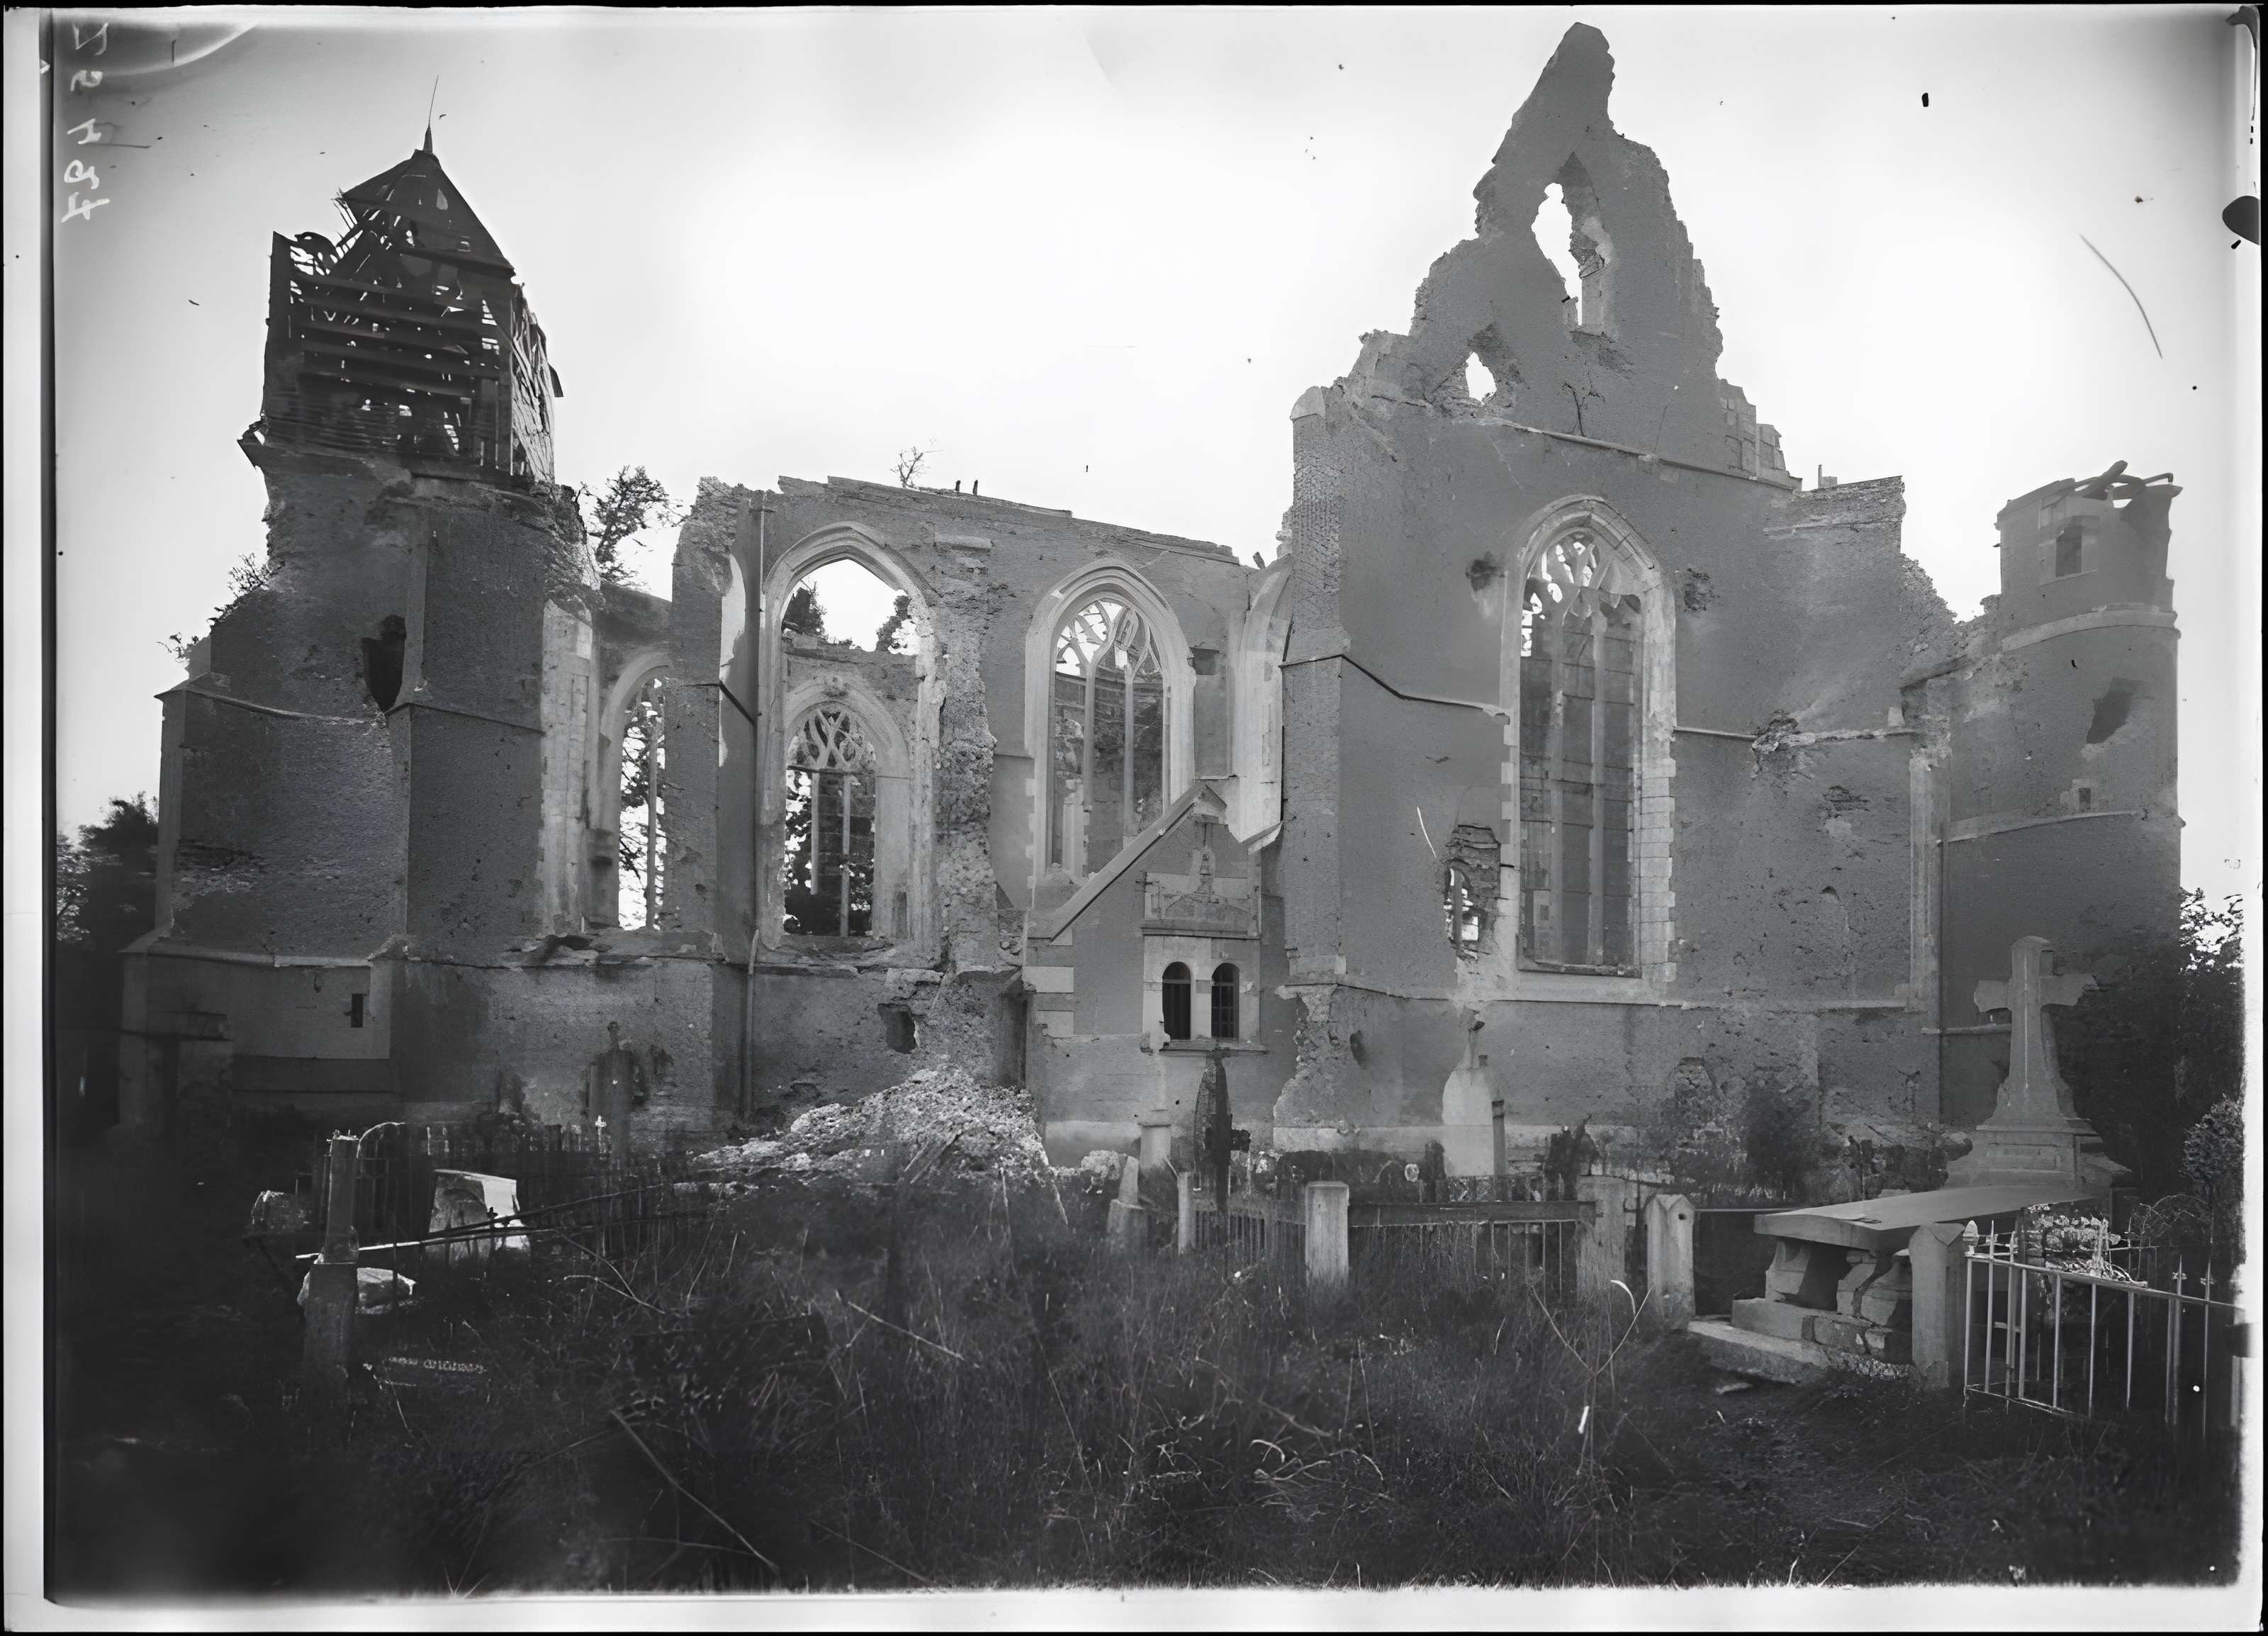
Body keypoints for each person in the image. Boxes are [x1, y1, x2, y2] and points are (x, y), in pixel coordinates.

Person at [583, 1021, 649, 1165]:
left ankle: (619, 1159)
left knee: (620, 1131)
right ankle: (616, 1159)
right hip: (610, 1101)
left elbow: (638, 1077)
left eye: (616, 1032)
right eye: (612, 1032)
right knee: (612, 1131)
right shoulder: (602, 1059)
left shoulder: (628, 1057)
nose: (615, 1035)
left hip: (620, 1099)